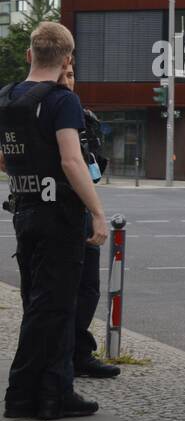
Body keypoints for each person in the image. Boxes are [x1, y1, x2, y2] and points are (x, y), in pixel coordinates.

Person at [0, 22, 108, 420]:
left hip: (25, 210)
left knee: (39, 305)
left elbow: (5, 157)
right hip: (59, 215)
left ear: (29, 55)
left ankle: (52, 393)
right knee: (56, 308)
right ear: (67, 61)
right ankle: (24, 392)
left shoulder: (8, 97)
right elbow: (71, 159)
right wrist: (96, 211)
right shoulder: (63, 100)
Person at [57, 64, 120, 380]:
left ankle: (78, 352)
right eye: (63, 74)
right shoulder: (46, 109)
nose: (67, 80)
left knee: (89, 289)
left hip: (81, 208)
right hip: (57, 211)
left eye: (71, 74)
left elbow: (92, 167)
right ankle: (64, 356)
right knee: (62, 290)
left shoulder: (80, 114)